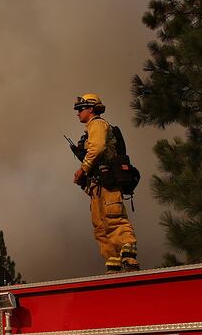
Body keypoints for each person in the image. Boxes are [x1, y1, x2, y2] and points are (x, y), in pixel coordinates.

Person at [72, 93, 139, 274]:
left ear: (91, 109)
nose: (77, 113)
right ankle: (114, 263)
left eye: (80, 109)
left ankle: (129, 258)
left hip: (108, 184)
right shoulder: (90, 129)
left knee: (113, 219)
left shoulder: (97, 124)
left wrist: (83, 169)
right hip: (98, 185)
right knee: (100, 226)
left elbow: (98, 147)